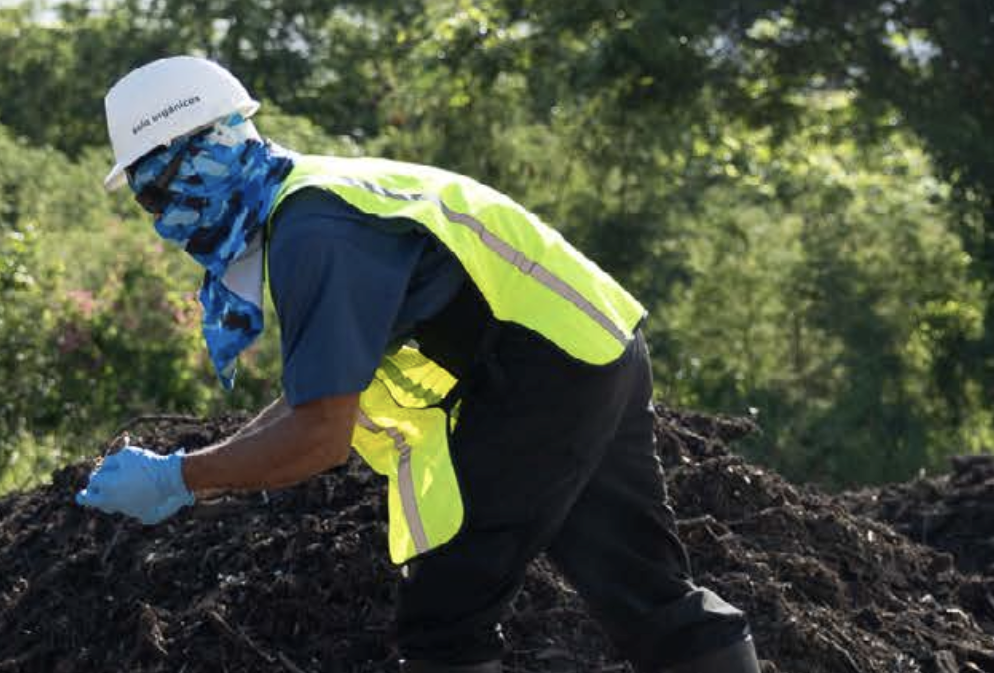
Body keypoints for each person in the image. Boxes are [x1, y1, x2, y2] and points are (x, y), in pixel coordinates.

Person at [70, 56, 762, 673]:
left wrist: (183, 478)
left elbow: (320, 437)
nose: (157, 219)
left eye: (154, 195)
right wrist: (193, 468)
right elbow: (318, 395)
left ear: (198, 158)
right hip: (595, 344)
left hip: (536, 374)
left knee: (444, 621)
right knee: (647, 593)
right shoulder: (315, 195)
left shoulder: (315, 230)